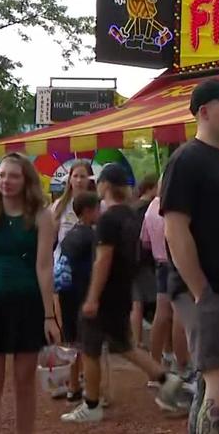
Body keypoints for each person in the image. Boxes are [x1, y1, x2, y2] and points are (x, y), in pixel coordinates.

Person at [162, 79, 219, 434]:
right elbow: (175, 228)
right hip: (205, 290)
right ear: (204, 112)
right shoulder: (186, 160)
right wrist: (200, 290)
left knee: (211, 388)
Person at [61, 164, 186, 423]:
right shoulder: (130, 216)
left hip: (105, 292)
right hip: (122, 289)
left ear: (106, 184)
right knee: (123, 343)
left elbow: (103, 260)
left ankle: (92, 404)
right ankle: (166, 378)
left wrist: (93, 296)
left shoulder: (107, 220)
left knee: (90, 346)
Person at [0, 153, 60, 434]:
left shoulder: (42, 216)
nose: (6, 181)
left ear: (26, 180)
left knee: (24, 379)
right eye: (2, 175)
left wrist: (49, 315)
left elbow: (44, 267)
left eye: (13, 176)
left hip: (27, 303)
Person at [141, 180, 192, 378]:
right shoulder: (174, 206)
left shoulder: (151, 207)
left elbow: (144, 240)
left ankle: (155, 363)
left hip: (159, 263)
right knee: (181, 312)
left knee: (161, 314)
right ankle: (182, 364)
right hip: (176, 261)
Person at [55, 191, 101, 403]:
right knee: (89, 343)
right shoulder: (92, 236)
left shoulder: (71, 234)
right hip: (84, 293)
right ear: (89, 211)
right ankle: (94, 391)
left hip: (66, 293)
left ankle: (73, 385)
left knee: (71, 340)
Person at [130, 175, 160, 352]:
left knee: (136, 301)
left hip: (131, 259)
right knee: (155, 303)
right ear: (151, 188)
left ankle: (136, 340)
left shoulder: (132, 208)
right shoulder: (150, 208)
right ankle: (162, 345)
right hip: (145, 260)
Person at [52, 162, 94, 253]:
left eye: (82, 176)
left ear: (89, 179)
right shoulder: (60, 204)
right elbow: (51, 237)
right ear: (70, 179)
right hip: (62, 260)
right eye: (75, 176)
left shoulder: (97, 205)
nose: (78, 180)